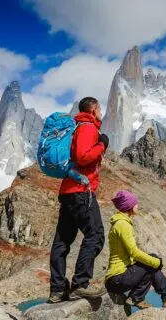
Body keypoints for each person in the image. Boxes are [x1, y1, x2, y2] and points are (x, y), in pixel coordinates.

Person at [48, 97, 110, 303]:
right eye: (99, 108)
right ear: (93, 109)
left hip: (68, 191)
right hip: (80, 191)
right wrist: (102, 145)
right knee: (95, 235)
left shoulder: (76, 128)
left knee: (62, 242)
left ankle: (57, 290)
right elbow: (83, 156)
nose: (101, 112)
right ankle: (80, 284)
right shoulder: (87, 127)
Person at [105, 190, 166, 312]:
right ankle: (142, 297)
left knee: (151, 263)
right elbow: (134, 252)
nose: (137, 206)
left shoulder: (121, 223)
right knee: (152, 262)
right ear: (129, 206)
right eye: (135, 204)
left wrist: (154, 262)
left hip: (118, 277)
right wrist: (157, 263)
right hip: (117, 279)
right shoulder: (123, 224)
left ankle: (165, 298)